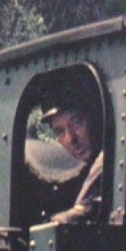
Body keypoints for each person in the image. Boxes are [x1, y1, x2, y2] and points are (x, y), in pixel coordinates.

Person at [42, 96, 104, 224]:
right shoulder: (81, 175)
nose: (70, 139)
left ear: (94, 118)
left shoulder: (107, 161)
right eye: (60, 131)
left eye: (77, 122)